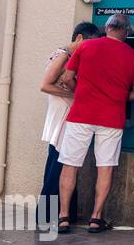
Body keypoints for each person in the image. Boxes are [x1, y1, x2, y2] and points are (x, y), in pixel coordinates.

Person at [56, 12, 134, 234]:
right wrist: (115, 96)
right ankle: (96, 218)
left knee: (70, 165)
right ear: (126, 33)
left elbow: (67, 78)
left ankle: (64, 217)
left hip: (81, 115)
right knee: (105, 167)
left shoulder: (86, 47)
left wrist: (82, 94)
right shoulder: (133, 56)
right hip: (111, 118)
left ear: (106, 28)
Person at [38, 21, 101, 225]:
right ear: (80, 38)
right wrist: (74, 93)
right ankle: (47, 215)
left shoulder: (69, 55)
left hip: (65, 113)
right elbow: (45, 85)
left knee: (61, 163)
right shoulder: (64, 55)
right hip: (62, 114)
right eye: (89, 43)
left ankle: (64, 213)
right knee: (59, 164)